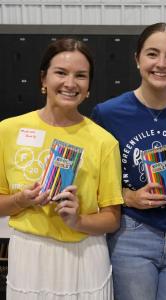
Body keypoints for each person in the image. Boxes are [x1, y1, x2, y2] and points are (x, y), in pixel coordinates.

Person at [91, 23, 166, 300]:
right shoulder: (108, 113)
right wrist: (128, 197)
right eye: (152, 54)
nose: (161, 64)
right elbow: (94, 182)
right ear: (137, 59)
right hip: (132, 234)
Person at [0, 38, 123, 299]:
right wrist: (20, 200)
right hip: (29, 255)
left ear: (89, 87)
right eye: (61, 73)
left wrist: (77, 220)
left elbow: (112, 218)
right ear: (43, 80)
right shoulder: (7, 131)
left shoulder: (104, 141)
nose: (70, 83)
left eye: (81, 76)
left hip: (84, 254)